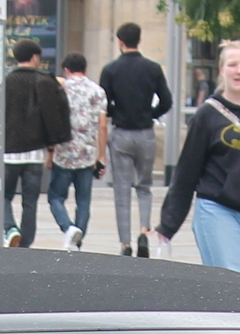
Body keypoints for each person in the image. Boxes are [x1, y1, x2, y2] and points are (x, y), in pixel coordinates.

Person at [153, 40, 240, 277]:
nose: (239, 71)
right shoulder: (207, 115)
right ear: (221, 70)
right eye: (232, 65)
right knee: (234, 281)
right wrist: (169, 223)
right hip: (218, 210)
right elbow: (187, 172)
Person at [98, 22, 170, 254]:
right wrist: (150, 114)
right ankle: (143, 231)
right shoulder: (153, 68)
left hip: (121, 134)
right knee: (144, 186)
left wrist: (115, 113)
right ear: (139, 40)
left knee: (122, 190)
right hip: (146, 133)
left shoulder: (110, 70)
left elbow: (103, 103)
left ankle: (125, 242)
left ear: (120, 42)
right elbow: (166, 101)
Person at [0, 42, 67, 245]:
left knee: (3, 196)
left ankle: (10, 229)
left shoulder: (6, 82)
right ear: (36, 57)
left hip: (8, 152)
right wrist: (52, 148)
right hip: (35, 153)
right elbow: (52, 118)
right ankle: (26, 245)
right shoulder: (44, 82)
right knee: (30, 202)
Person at [44, 53, 104, 248]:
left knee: (55, 197)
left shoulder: (60, 90)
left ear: (66, 70)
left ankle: (68, 227)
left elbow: (52, 123)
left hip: (64, 153)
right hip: (87, 155)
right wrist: (101, 156)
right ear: (85, 69)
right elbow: (102, 126)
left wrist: (50, 151)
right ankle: (78, 239)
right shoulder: (97, 91)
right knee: (84, 201)